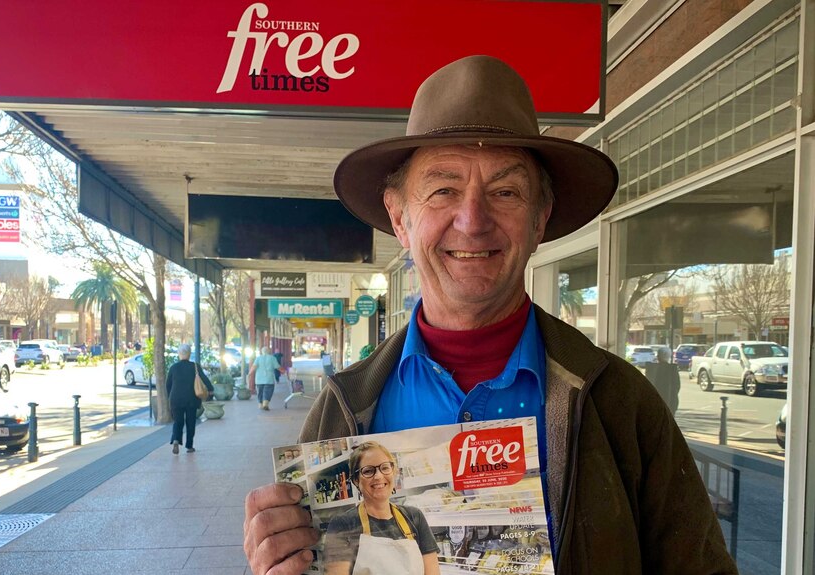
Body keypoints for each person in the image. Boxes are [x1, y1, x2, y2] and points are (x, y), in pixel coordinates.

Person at [243, 55, 738, 574]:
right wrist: (280, 558)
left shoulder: (620, 404)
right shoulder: (342, 409)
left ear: (540, 218)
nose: (473, 220)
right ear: (399, 217)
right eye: (443, 190)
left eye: (505, 192)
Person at [324, 441, 439, 575]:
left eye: (385, 468)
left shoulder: (414, 517)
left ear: (394, 471)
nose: (378, 476)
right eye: (368, 471)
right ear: (356, 480)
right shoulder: (342, 524)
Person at [166, 343, 213, 454]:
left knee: (178, 421)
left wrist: (170, 397)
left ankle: (176, 440)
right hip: (191, 399)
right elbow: (204, 379)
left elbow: (168, 385)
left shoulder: (173, 368)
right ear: (189, 354)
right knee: (190, 422)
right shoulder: (194, 366)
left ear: (179, 354)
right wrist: (211, 389)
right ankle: (189, 446)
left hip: (176, 399)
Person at [646, 347, 681, 414]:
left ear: (658, 356)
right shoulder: (672, 370)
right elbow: (677, 386)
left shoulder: (653, 369)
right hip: (670, 403)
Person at [250, 346, 284, 411]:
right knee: (268, 391)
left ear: (262, 352)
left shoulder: (258, 358)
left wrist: (249, 374)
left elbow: (254, 367)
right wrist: (284, 371)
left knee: (260, 392)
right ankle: (265, 403)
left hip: (259, 379)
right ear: (269, 351)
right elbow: (278, 367)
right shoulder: (272, 358)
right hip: (269, 379)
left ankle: (260, 403)